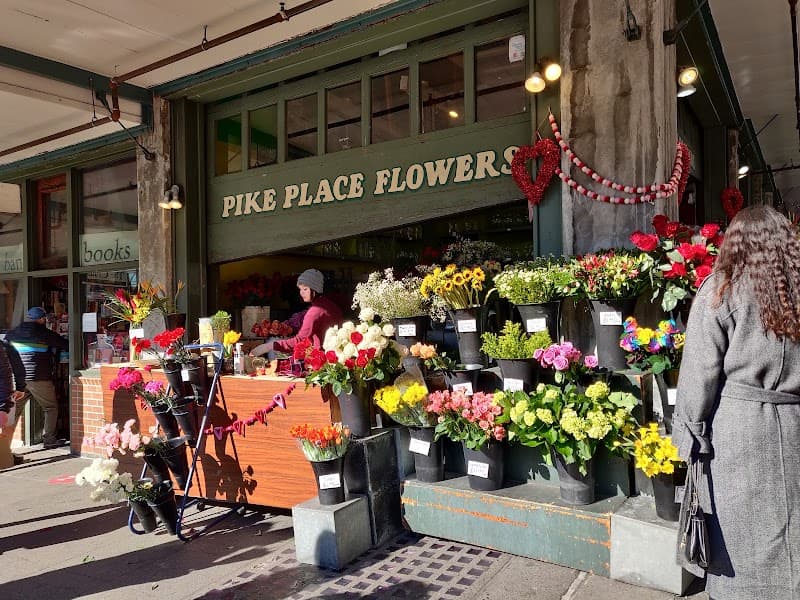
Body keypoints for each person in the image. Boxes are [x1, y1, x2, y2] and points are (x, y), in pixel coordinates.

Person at [672, 205, 800, 599]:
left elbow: (699, 374)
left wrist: (686, 438)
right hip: (794, 422)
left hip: (739, 431)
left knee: (741, 531)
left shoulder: (720, 289)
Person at [5, 307, 69, 449]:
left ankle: (5, 445)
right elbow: (66, 344)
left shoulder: (12, 333)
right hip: (38, 377)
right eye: (44, 318)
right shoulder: (44, 333)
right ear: (41, 319)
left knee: (14, 412)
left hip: (19, 379)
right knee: (50, 407)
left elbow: (6, 354)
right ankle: (49, 439)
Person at [250, 269, 343, 357]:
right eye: (300, 289)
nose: (302, 293)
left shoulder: (315, 311)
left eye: (305, 289)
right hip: (336, 355)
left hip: (323, 359)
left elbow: (299, 340)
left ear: (316, 289)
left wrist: (267, 347)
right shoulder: (331, 305)